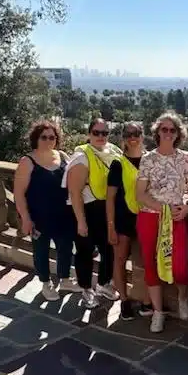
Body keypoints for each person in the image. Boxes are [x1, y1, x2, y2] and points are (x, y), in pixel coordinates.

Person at [136, 111, 188, 333]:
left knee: (180, 264)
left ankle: (183, 295)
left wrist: (187, 208)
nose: (168, 133)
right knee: (150, 263)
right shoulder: (148, 159)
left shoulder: (184, 158)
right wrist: (163, 209)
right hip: (150, 216)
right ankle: (158, 312)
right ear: (157, 132)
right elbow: (140, 194)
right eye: (164, 129)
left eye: (172, 130)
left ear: (178, 134)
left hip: (176, 217)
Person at [13, 120, 81, 301]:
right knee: (41, 251)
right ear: (36, 138)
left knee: (65, 248)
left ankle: (65, 280)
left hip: (64, 215)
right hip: (39, 217)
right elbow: (18, 193)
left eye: (52, 137)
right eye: (44, 137)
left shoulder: (63, 156)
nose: (48, 140)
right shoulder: (27, 162)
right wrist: (26, 218)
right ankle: (46, 283)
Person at [63, 118, 122, 308]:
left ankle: (103, 284)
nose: (100, 136)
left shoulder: (112, 152)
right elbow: (74, 192)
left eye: (104, 133)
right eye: (96, 132)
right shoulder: (81, 157)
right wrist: (81, 221)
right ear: (89, 134)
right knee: (85, 251)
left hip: (106, 208)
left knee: (109, 248)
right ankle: (86, 289)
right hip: (86, 209)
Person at [106, 121, 153, 320]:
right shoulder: (118, 163)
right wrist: (110, 227)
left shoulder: (151, 160)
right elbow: (110, 198)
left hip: (146, 216)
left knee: (147, 261)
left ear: (142, 136)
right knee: (120, 260)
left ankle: (146, 300)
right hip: (123, 218)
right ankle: (124, 300)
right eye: (128, 135)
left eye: (136, 134)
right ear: (123, 138)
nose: (132, 138)